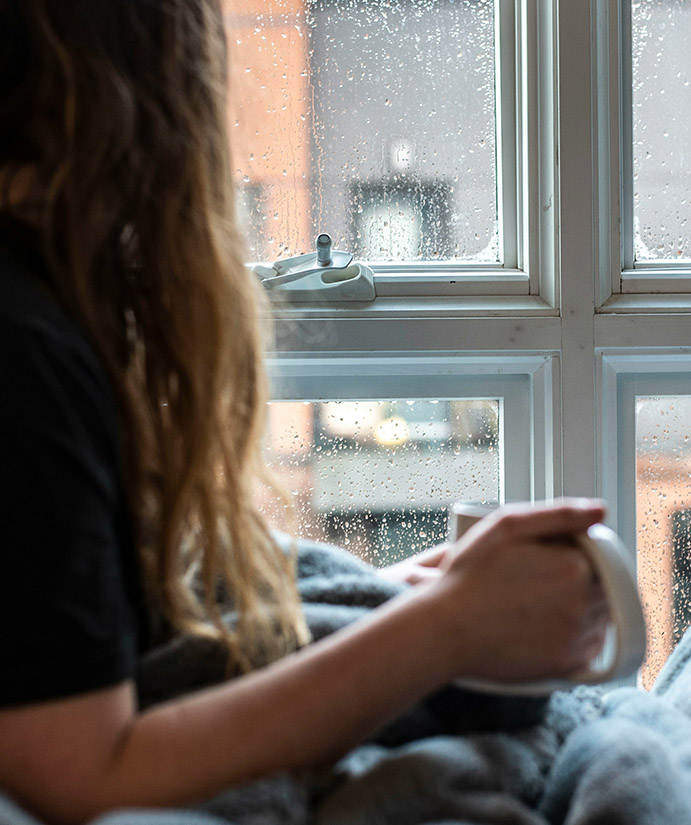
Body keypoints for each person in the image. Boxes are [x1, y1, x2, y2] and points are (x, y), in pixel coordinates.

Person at [0, 3, 609, 823]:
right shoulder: (25, 350)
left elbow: (68, 656)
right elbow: (79, 772)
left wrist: (393, 604)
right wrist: (444, 627)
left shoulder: (42, 315)